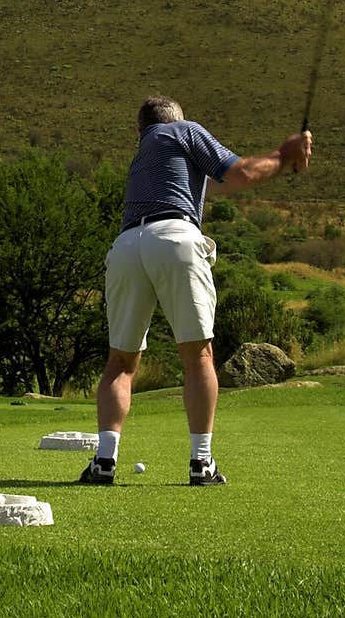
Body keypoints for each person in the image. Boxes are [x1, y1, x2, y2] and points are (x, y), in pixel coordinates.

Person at [78, 94, 313, 487]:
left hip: (126, 247)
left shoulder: (145, 156)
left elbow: (214, 186)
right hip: (175, 238)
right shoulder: (184, 131)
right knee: (198, 356)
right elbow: (240, 174)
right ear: (176, 120)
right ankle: (201, 463)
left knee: (120, 362)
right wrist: (284, 152)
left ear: (140, 129)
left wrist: (280, 163)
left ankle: (104, 461)